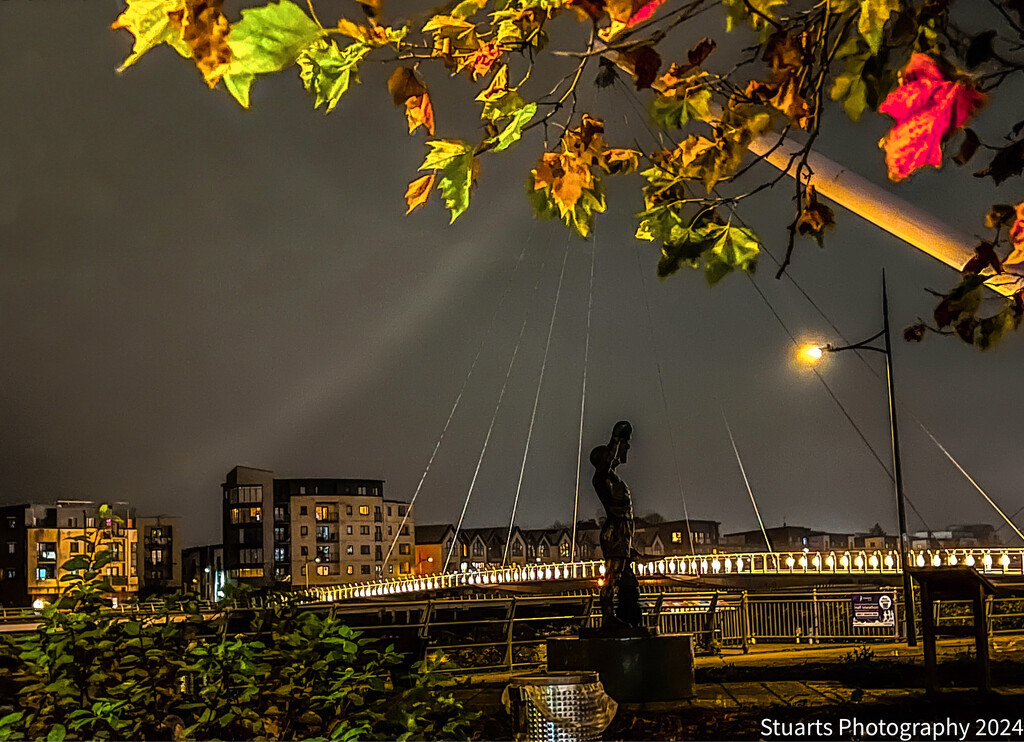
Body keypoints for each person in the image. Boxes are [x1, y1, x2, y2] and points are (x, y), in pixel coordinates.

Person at [590, 420, 642, 630]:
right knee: (613, 575)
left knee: (626, 578)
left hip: (623, 532)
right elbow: (606, 463)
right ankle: (608, 616)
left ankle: (628, 616)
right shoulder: (601, 479)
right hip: (616, 532)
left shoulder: (614, 479)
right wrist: (616, 438)